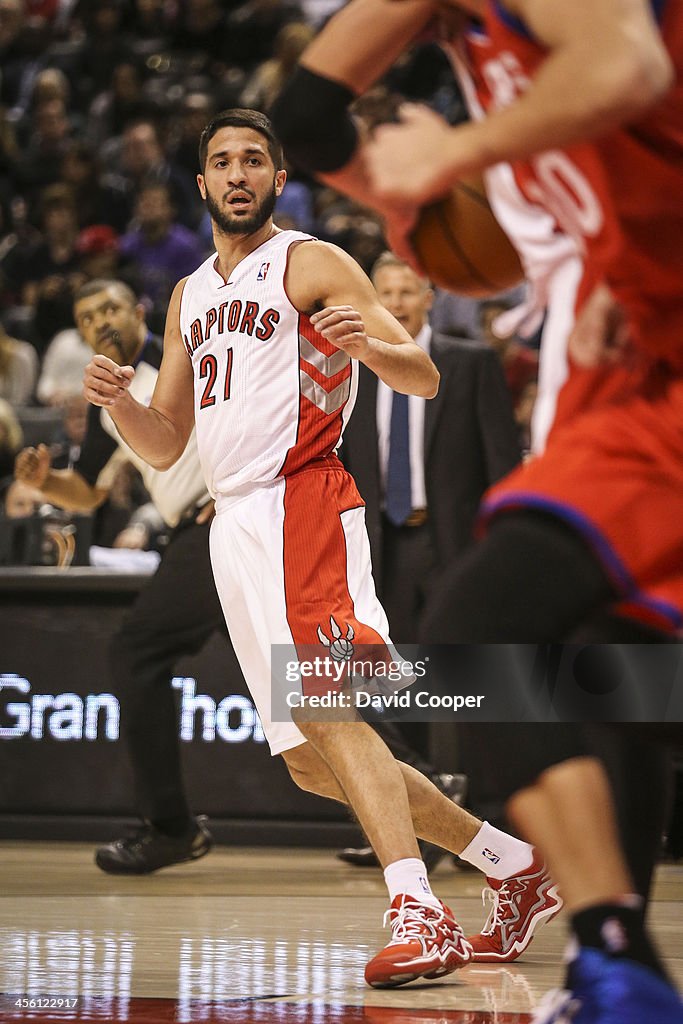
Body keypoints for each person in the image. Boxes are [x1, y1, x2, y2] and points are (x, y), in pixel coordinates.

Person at [80, 108, 561, 988]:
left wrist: (368, 345)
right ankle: (514, 869)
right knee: (308, 760)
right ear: (200, 184)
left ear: (277, 176)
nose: (237, 173)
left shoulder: (310, 262)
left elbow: (421, 374)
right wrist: (120, 401)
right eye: (221, 161)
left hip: (305, 501)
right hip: (234, 526)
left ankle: (419, 909)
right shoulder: (187, 294)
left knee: (336, 714)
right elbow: (163, 442)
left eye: (253, 160)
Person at [272, 1, 683, 1020]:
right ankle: (615, 965)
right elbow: (307, 111)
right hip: (635, 340)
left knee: (497, 638)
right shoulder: (477, 48)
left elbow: (624, 64)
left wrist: (449, 150)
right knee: (592, 661)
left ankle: (609, 957)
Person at [14, 277, 219, 873]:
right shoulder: (108, 399)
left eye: (110, 307)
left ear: (139, 312)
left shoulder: (190, 354)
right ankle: (425, 782)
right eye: (85, 316)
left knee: (138, 653)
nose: (100, 321)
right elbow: (89, 490)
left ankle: (171, 827)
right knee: (297, 667)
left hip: (227, 513)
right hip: (198, 532)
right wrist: (43, 482)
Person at [338, 251, 520, 868]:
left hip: (453, 545)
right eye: (383, 290)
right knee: (392, 686)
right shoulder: (353, 371)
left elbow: (503, 462)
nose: (394, 301)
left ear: (429, 298)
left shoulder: (467, 362)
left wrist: (500, 551)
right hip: (381, 545)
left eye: (406, 290)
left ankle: (486, 824)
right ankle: (410, 827)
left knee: (467, 683)